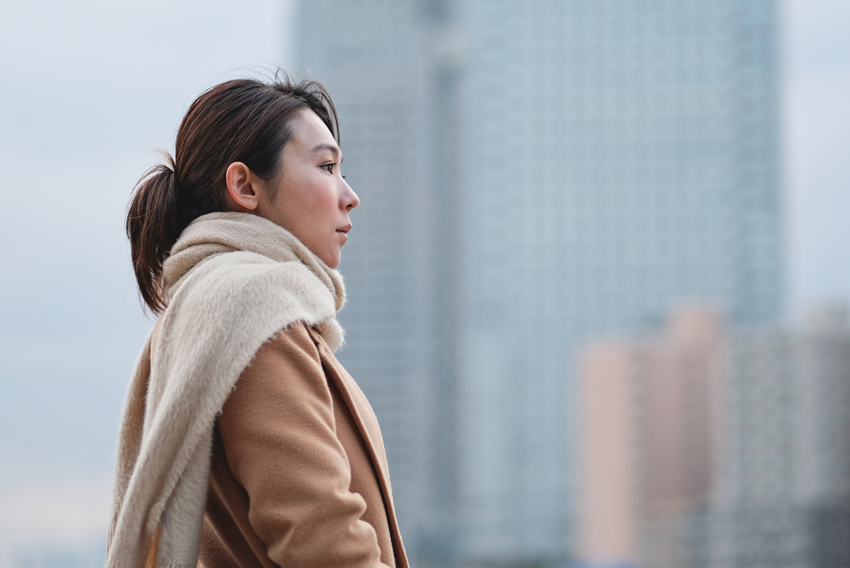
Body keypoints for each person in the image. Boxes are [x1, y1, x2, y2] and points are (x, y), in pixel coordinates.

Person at [107, 75, 408, 568]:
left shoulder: (207, 308)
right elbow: (324, 543)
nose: (350, 195)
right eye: (327, 166)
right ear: (245, 186)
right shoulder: (254, 310)